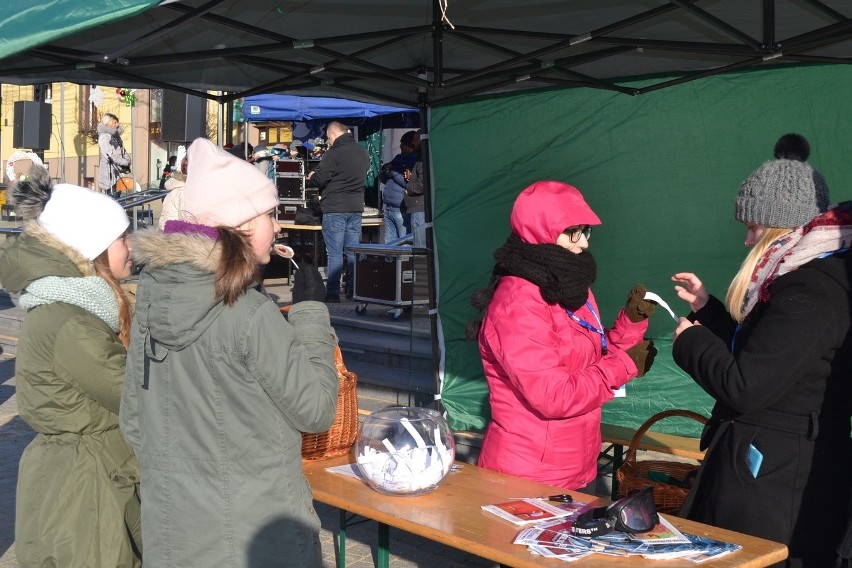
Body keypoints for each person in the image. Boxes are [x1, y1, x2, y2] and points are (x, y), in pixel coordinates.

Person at [120, 138, 339, 568]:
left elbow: (134, 421)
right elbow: (316, 410)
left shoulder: (149, 300)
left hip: (176, 534)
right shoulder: (251, 314)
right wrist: (311, 313)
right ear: (238, 224)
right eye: (269, 215)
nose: (277, 227)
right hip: (255, 538)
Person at [671, 134, 852, 566]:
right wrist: (707, 310)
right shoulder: (802, 281)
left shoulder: (809, 289)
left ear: (778, 228)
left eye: (752, 228)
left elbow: (745, 386)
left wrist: (690, 342)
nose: (747, 240)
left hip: (775, 479)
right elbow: (771, 350)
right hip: (777, 465)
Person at [467, 180, 657, 491]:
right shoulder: (518, 303)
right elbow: (555, 397)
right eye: (573, 232)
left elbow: (594, 356)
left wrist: (631, 324)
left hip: (578, 467)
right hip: (527, 477)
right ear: (541, 231)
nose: (583, 244)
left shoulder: (568, 287)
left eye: (586, 231)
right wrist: (625, 365)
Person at [0, 166, 142, 567]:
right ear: (91, 248)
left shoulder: (83, 310)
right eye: (122, 238)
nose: (131, 246)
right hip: (86, 488)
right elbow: (136, 392)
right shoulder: (72, 322)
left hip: (93, 474)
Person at [306, 121, 370, 302]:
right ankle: (353, 290)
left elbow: (320, 179)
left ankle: (333, 293)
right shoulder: (362, 152)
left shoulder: (333, 152)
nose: (328, 141)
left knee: (334, 253)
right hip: (356, 207)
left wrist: (313, 177)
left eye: (328, 137)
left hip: (335, 207)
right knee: (352, 252)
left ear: (333, 133)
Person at [380, 130, 419, 243]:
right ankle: (389, 261)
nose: (401, 149)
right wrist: (384, 171)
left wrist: (392, 173)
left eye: (403, 147)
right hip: (388, 208)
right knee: (389, 244)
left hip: (401, 209)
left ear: (411, 146)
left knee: (403, 243)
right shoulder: (398, 157)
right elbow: (385, 178)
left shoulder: (415, 160)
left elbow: (408, 183)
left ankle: (403, 261)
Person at [98, 112, 132, 195]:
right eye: (115, 122)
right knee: (113, 199)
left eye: (117, 122)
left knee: (120, 198)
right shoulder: (104, 137)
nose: (117, 125)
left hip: (118, 172)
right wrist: (124, 162)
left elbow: (122, 150)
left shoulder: (116, 137)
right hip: (109, 173)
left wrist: (127, 159)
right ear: (108, 123)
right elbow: (109, 155)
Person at [158, 147, 188, 229]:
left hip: (166, 233)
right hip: (173, 236)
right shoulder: (182, 191)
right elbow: (187, 219)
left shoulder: (177, 186)